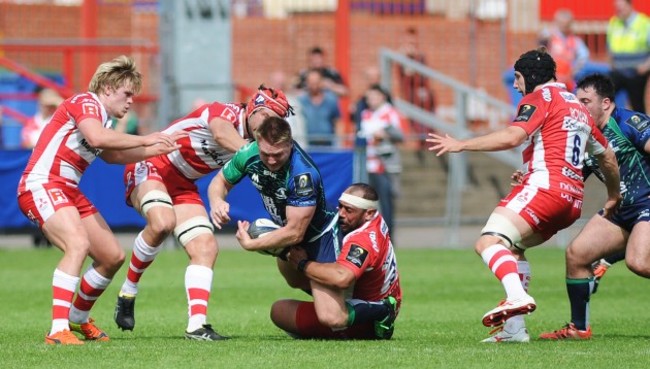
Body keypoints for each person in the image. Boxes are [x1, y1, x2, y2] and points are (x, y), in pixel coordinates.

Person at [426, 47, 622, 343]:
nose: (515, 85)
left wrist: (462, 144)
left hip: (546, 189)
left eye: (517, 78)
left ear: (529, 76)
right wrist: (612, 195)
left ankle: (516, 297)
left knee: (488, 241)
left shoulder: (541, 97)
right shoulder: (579, 107)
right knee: (513, 248)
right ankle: (515, 329)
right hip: (571, 201)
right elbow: (607, 156)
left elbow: (513, 136)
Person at [16, 55, 185, 345]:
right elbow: (97, 139)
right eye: (127, 93)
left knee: (111, 256)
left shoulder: (101, 117)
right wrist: (146, 139)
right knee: (78, 244)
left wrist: (157, 149)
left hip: (67, 188)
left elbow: (113, 155)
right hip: (41, 184)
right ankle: (58, 330)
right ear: (107, 88)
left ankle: (78, 320)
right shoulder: (86, 102)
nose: (131, 101)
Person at [113, 85, 293, 341]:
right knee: (163, 223)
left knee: (206, 247)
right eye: (264, 115)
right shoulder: (227, 114)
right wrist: (256, 152)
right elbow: (221, 133)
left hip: (183, 183)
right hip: (152, 164)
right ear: (252, 108)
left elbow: (223, 179)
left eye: (275, 120)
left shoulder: (255, 145)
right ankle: (128, 291)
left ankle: (196, 326)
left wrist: (218, 200)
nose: (267, 123)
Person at [209, 117, 397, 339]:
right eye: (265, 153)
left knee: (332, 317)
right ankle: (337, 300)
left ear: (290, 144)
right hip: (290, 232)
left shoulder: (302, 175)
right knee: (290, 285)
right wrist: (217, 202)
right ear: (257, 143)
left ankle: (382, 309)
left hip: (319, 239)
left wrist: (253, 245)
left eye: (277, 154)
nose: (270, 160)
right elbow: (219, 182)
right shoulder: (248, 152)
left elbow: (295, 232)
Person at [539, 74, 650, 340]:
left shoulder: (628, 122)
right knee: (577, 254)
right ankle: (579, 328)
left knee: (639, 262)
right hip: (621, 211)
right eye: (577, 101)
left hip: (647, 205)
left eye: (585, 101)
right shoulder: (586, 137)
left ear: (607, 104)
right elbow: (569, 174)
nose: (579, 106)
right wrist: (533, 176)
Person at [271, 183, 401, 339]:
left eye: (349, 210)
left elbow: (342, 278)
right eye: (340, 207)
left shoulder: (362, 239)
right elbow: (296, 281)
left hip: (366, 319)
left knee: (280, 311)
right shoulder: (372, 219)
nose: (341, 214)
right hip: (374, 294)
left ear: (368, 213)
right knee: (304, 269)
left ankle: (382, 311)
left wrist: (303, 264)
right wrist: (282, 250)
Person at [358, 84, 404, 237]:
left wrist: (384, 134)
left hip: (384, 165)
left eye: (374, 97)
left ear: (382, 97)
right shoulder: (365, 114)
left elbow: (400, 135)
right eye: (369, 97)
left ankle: (388, 238)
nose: (371, 100)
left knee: (386, 203)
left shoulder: (389, 112)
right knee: (367, 204)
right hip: (367, 164)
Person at [397, 26, 436, 164]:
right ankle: (422, 142)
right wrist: (410, 56)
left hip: (422, 92)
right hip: (410, 93)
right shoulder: (402, 54)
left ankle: (428, 143)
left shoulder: (420, 55)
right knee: (417, 120)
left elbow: (424, 75)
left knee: (428, 117)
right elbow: (408, 73)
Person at [606, 0, 650, 113]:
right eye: (617, 8)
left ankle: (642, 129)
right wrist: (611, 63)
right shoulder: (614, 22)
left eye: (621, 7)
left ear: (630, 5)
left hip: (637, 72)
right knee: (604, 96)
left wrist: (646, 66)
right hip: (618, 71)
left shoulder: (644, 23)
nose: (618, 11)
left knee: (637, 105)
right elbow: (609, 45)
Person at [539, 8, 590, 92]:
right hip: (550, 81)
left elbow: (584, 56)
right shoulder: (549, 35)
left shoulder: (575, 40)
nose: (563, 26)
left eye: (566, 24)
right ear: (556, 22)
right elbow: (541, 41)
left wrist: (574, 71)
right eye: (561, 23)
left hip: (567, 83)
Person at [297, 69, 342, 147]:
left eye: (316, 82)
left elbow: (338, 121)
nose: (314, 85)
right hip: (308, 145)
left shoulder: (331, 99)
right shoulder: (301, 101)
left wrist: (339, 143)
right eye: (311, 83)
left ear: (321, 82)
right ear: (307, 83)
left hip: (328, 144)